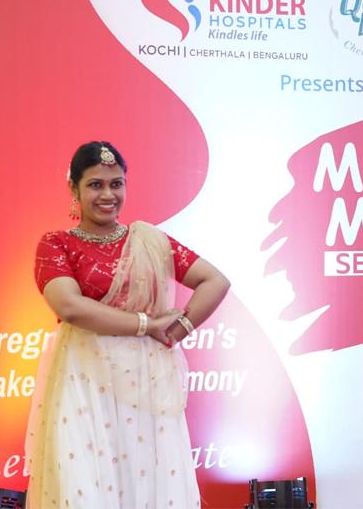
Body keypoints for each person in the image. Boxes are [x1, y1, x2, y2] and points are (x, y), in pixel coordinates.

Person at [25, 141, 230, 508]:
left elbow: (215, 281)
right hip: (83, 379)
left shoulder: (149, 240)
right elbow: (69, 306)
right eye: (95, 185)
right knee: (83, 485)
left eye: (116, 184)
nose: (108, 195)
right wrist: (147, 324)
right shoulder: (56, 244)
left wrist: (177, 329)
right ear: (74, 187)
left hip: (145, 382)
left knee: (146, 482)